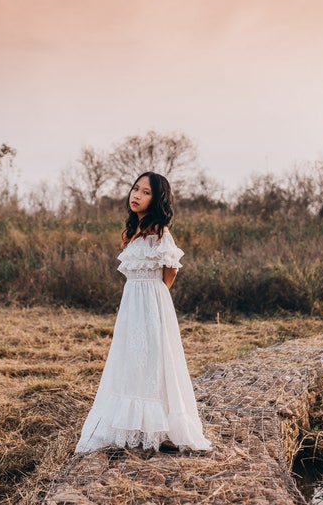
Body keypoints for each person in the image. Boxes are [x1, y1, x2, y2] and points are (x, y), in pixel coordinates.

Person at [75, 172, 212, 453]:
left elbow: (170, 272)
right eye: (135, 189)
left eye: (146, 192)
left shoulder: (161, 233)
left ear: (157, 198)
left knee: (156, 360)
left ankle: (162, 429)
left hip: (153, 301)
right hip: (131, 304)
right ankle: (131, 427)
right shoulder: (131, 233)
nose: (136, 195)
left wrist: (155, 300)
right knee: (132, 360)